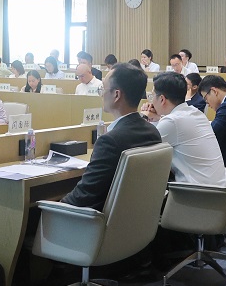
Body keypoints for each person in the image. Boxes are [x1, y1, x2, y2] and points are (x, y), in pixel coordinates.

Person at [60, 63, 161, 211]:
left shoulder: (110, 141)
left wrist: (56, 205)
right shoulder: (152, 132)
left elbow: (84, 195)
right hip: (136, 216)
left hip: (98, 220)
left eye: (103, 89)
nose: (101, 94)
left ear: (116, 95)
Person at [141, 72, 226, 187]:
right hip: (218, 190)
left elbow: (142, 151)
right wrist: (156, 118)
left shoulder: (172, 122)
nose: (151, 101)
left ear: (162, 99)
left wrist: (144, 116)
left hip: (196, 193)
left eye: (152, 96)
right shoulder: (195, 113)